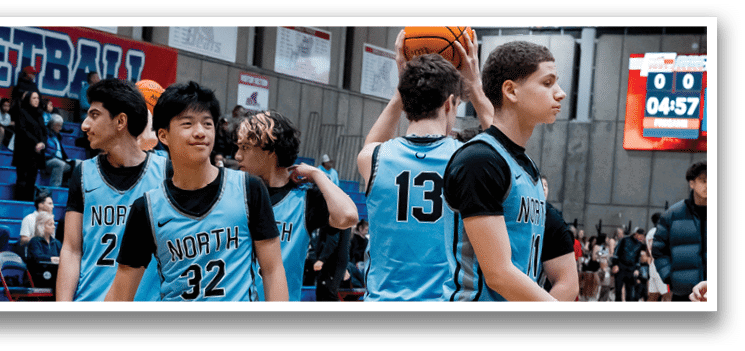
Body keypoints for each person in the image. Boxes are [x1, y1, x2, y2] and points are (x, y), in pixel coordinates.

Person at [104, 81, 288, 302]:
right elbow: (120, 293)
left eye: (207, 124)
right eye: (188, 124)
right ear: (163, 135)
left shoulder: (249, 189)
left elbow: (273, 270)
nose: (200, 132)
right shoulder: (147, 209)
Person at [357, 29, 490, 301]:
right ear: (450, 104)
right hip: (443, 300)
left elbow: (372, 144)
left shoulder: (373, 158)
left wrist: (402, 87)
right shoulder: (469, 159)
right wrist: (475, 85)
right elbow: (505, 150)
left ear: (405, 101)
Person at [443, 39, 566, 301]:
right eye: (548, 83)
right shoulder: (479, 160)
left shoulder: (524, 164)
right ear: (510, 91)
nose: (560, 93)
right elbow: (499, 274)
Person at [56, 78, 169, 302]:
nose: (84, 125)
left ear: (120, 121)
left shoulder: (166, 173)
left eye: (94, 115)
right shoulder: (83, 174)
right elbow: (71, 250)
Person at [234, 109, 358, 301]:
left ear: (270, 150)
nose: (237, 156)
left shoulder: (304, 199)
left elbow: (348, 216)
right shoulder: (234, 192)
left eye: (245, 147)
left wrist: (317, 175)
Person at [652, 161, 707, 302]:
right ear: (692, 183)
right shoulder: (673, 215)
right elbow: (659, 250)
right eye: (703, 181)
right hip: (683, 292)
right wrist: (670, 277)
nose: (708, 185)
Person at [537, 175, 579, 301]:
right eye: (541, 184)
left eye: (546, 185)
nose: (543, 188)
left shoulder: (553, 217)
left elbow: (569, 286)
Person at [11, 91, 48, 201]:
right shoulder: (22, 113)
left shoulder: (39, 115)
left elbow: (44, 132)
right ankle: (19, 202)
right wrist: (36, 143)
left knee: (32, 179)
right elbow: (22, 131)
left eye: (37, 98)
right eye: (34, 98)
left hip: (36, 153)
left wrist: (42, 143)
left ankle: (28, 202)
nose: (37, 100)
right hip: (24, 151)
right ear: (28, 99)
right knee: (22, 178)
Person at [611, 227, 647, 301]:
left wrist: (637, 269)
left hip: (631, 269)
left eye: (643, 237)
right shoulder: (624, 240)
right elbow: (616, 252)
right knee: (618, 291)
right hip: (620, 267)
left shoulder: (640, 244)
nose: (642, 238)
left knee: (630, 292)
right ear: (636, 234)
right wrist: (615, 264)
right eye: (641, 236)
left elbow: (638, 259)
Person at [43, 114, 79, 188]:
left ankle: (70, 186)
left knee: (78, 164)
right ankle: (54, 189)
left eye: (61, 125)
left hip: (59, 159)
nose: (60, 128)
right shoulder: (45, 135)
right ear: (52, 125)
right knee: (59, 164)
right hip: (47, 160)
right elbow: (46, 153)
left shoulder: (57, 136)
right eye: (58, 125)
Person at [645, 212, 671, 301]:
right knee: (668, 296)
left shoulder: (650, 232)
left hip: (653, 266)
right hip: (661, 266)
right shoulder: (659, 232)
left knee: (653, 297)